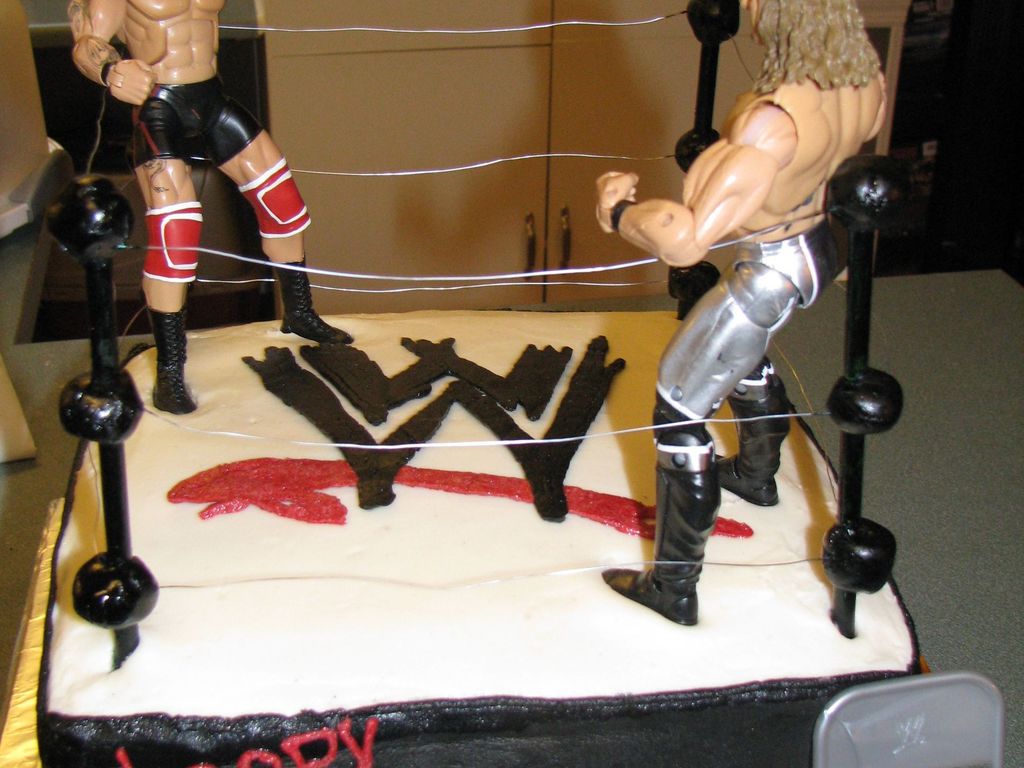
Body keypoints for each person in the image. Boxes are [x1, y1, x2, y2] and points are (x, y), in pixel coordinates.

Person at [596, 0, 885, 624]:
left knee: (678, 408)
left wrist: (618, 211)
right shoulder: (863, 82)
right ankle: (756, 475)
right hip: (815, 246)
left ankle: (673, 587)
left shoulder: (769, 123)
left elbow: (685, 240)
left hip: (771, 267)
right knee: (743, 354)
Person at [69, 0, 352, 414]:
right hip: (158, 104)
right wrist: (111, 70)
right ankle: (170, 370)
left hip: (211, 97)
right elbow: (86, 41)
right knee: (175, 234)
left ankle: (299, 313)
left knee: (282, 203)